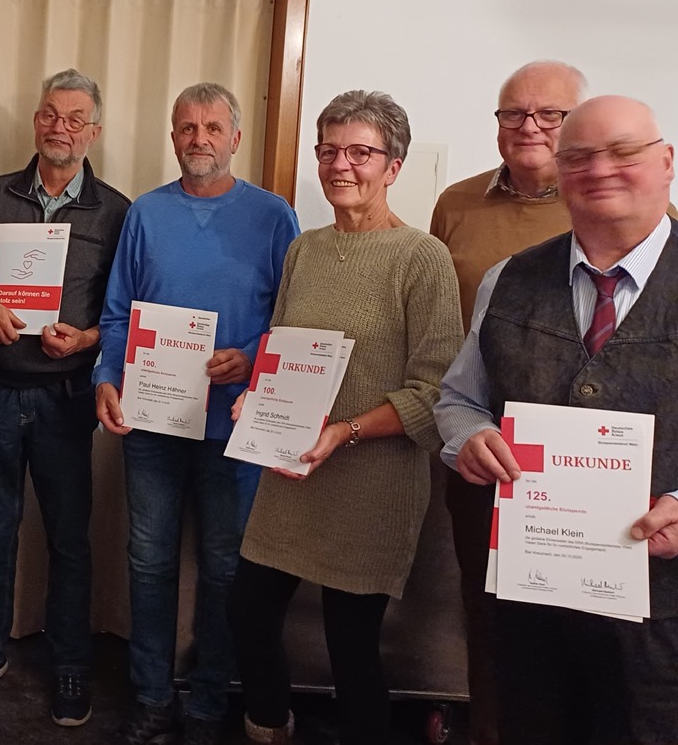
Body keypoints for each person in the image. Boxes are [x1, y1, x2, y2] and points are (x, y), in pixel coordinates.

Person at [436, 95, 678, 745]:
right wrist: (469, 439)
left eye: (623, 152)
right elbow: (458, 400)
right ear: (558, 173)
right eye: (579, 157)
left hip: (665, 619)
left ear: (666, 162)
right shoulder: (508, 280)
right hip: (532, 608)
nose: (600, 169)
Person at [227, 90, 463, 745]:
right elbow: (280, 350)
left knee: (351, 646)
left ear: (393, 166)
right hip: (291, 472)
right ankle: (270, 727)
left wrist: (346, 430)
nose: (341, 165)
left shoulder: (422, 258)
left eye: (360, 152)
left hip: (372, 482)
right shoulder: (305, 250)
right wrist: (258, 397)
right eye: (329, 150)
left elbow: (434, 390)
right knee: (247, 613)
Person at [95, 83, 300, 745]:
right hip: (151, 422)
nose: (199, 138)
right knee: (148, 561)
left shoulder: (274, 216)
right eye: (187, 127)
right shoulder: (146, 215)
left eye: (213, 127)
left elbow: (293, 317)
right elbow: (118, 311)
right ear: (173, 136)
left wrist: (252, 356)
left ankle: (210, 699)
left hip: (235, 426)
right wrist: (106, 377)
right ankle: (151, 695)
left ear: (236, 138)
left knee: (224, 568)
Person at [0, 70, 129, 725]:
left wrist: (89, 340)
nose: (60, 128)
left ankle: (71, 661)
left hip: (66, 397)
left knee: (70, 539)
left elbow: (123, 310)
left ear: (94, 131)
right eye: (50, 114)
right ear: (35, 122)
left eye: (75, 118)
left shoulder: (117, 211)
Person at [428, 60, 585, 745]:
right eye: (513, 113)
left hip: (590, 469)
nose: (529, 126)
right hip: (482, 450)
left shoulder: (618, 205)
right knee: (488, 618)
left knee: (589, 630)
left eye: (550, 114)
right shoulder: (456, 204)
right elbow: (437, 326)